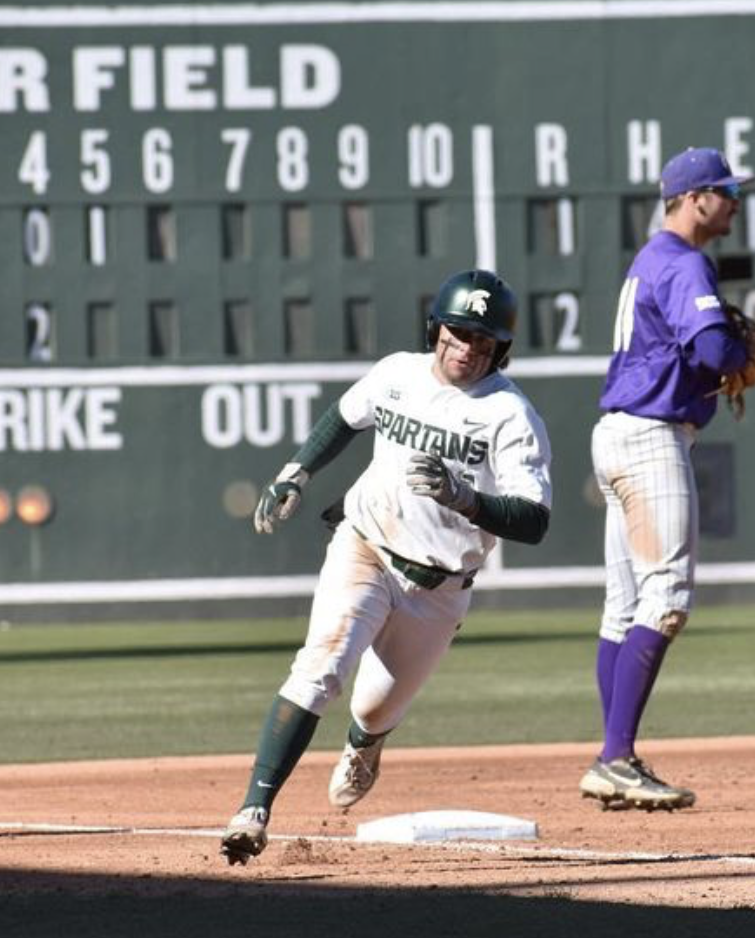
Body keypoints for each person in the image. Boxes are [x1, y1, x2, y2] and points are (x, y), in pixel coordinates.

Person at [221, 269, 552, 864]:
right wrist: (295, 473)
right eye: (457, 331)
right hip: (366, 545)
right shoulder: (398, 372)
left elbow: (534, 519)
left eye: (483, 339)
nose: (467, 348)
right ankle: (254, 808)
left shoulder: (510, 414)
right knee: (322, 664)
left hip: (440, 587)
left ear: (500, 348)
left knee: (376, 708)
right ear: (436, 329)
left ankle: (365, 742)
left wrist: (466, 499)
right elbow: (344, 418)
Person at [580, 146, 755, 811]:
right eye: (726, 191)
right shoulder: (685, 262)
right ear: (694, 199)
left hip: (618, 434)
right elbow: (714, 348)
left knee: (624, 607)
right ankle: (615, 757)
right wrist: (739, 352)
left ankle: (613, 756)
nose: (735, 202)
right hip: (650, 437)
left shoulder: (649, 260)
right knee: (668, 598)